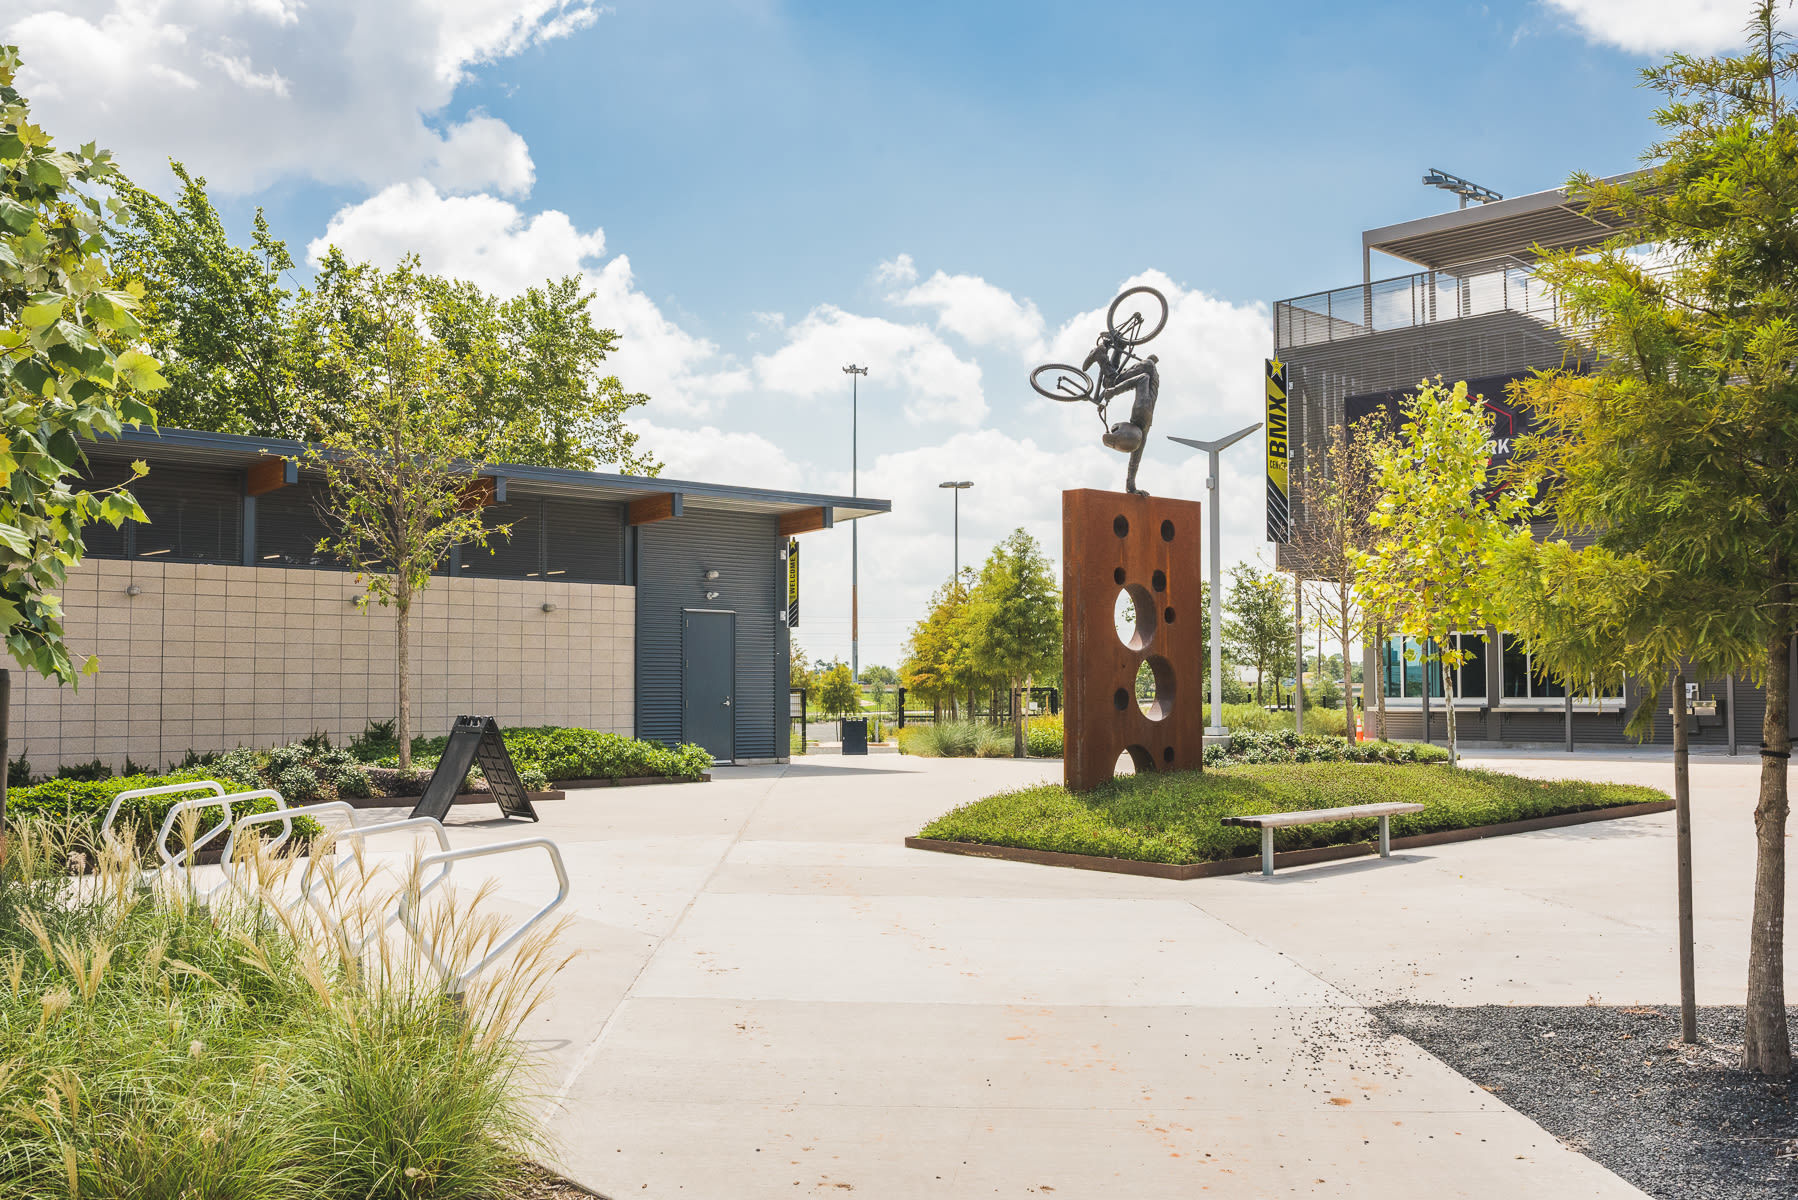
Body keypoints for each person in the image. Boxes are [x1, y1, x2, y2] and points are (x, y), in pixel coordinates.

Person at [1082, 330, 1160, 494]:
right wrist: (1114, 391)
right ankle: (1100, 354)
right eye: (1118, 429)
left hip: (1150, 370)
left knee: (1112, 377)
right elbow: (1143, 378)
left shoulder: (1142, 433)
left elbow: (1135, 461)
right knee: (1110, 382)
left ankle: (1120, 346)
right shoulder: (1142, 411)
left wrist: (1131, 488)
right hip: (1146, 369)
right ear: (1127, 430)